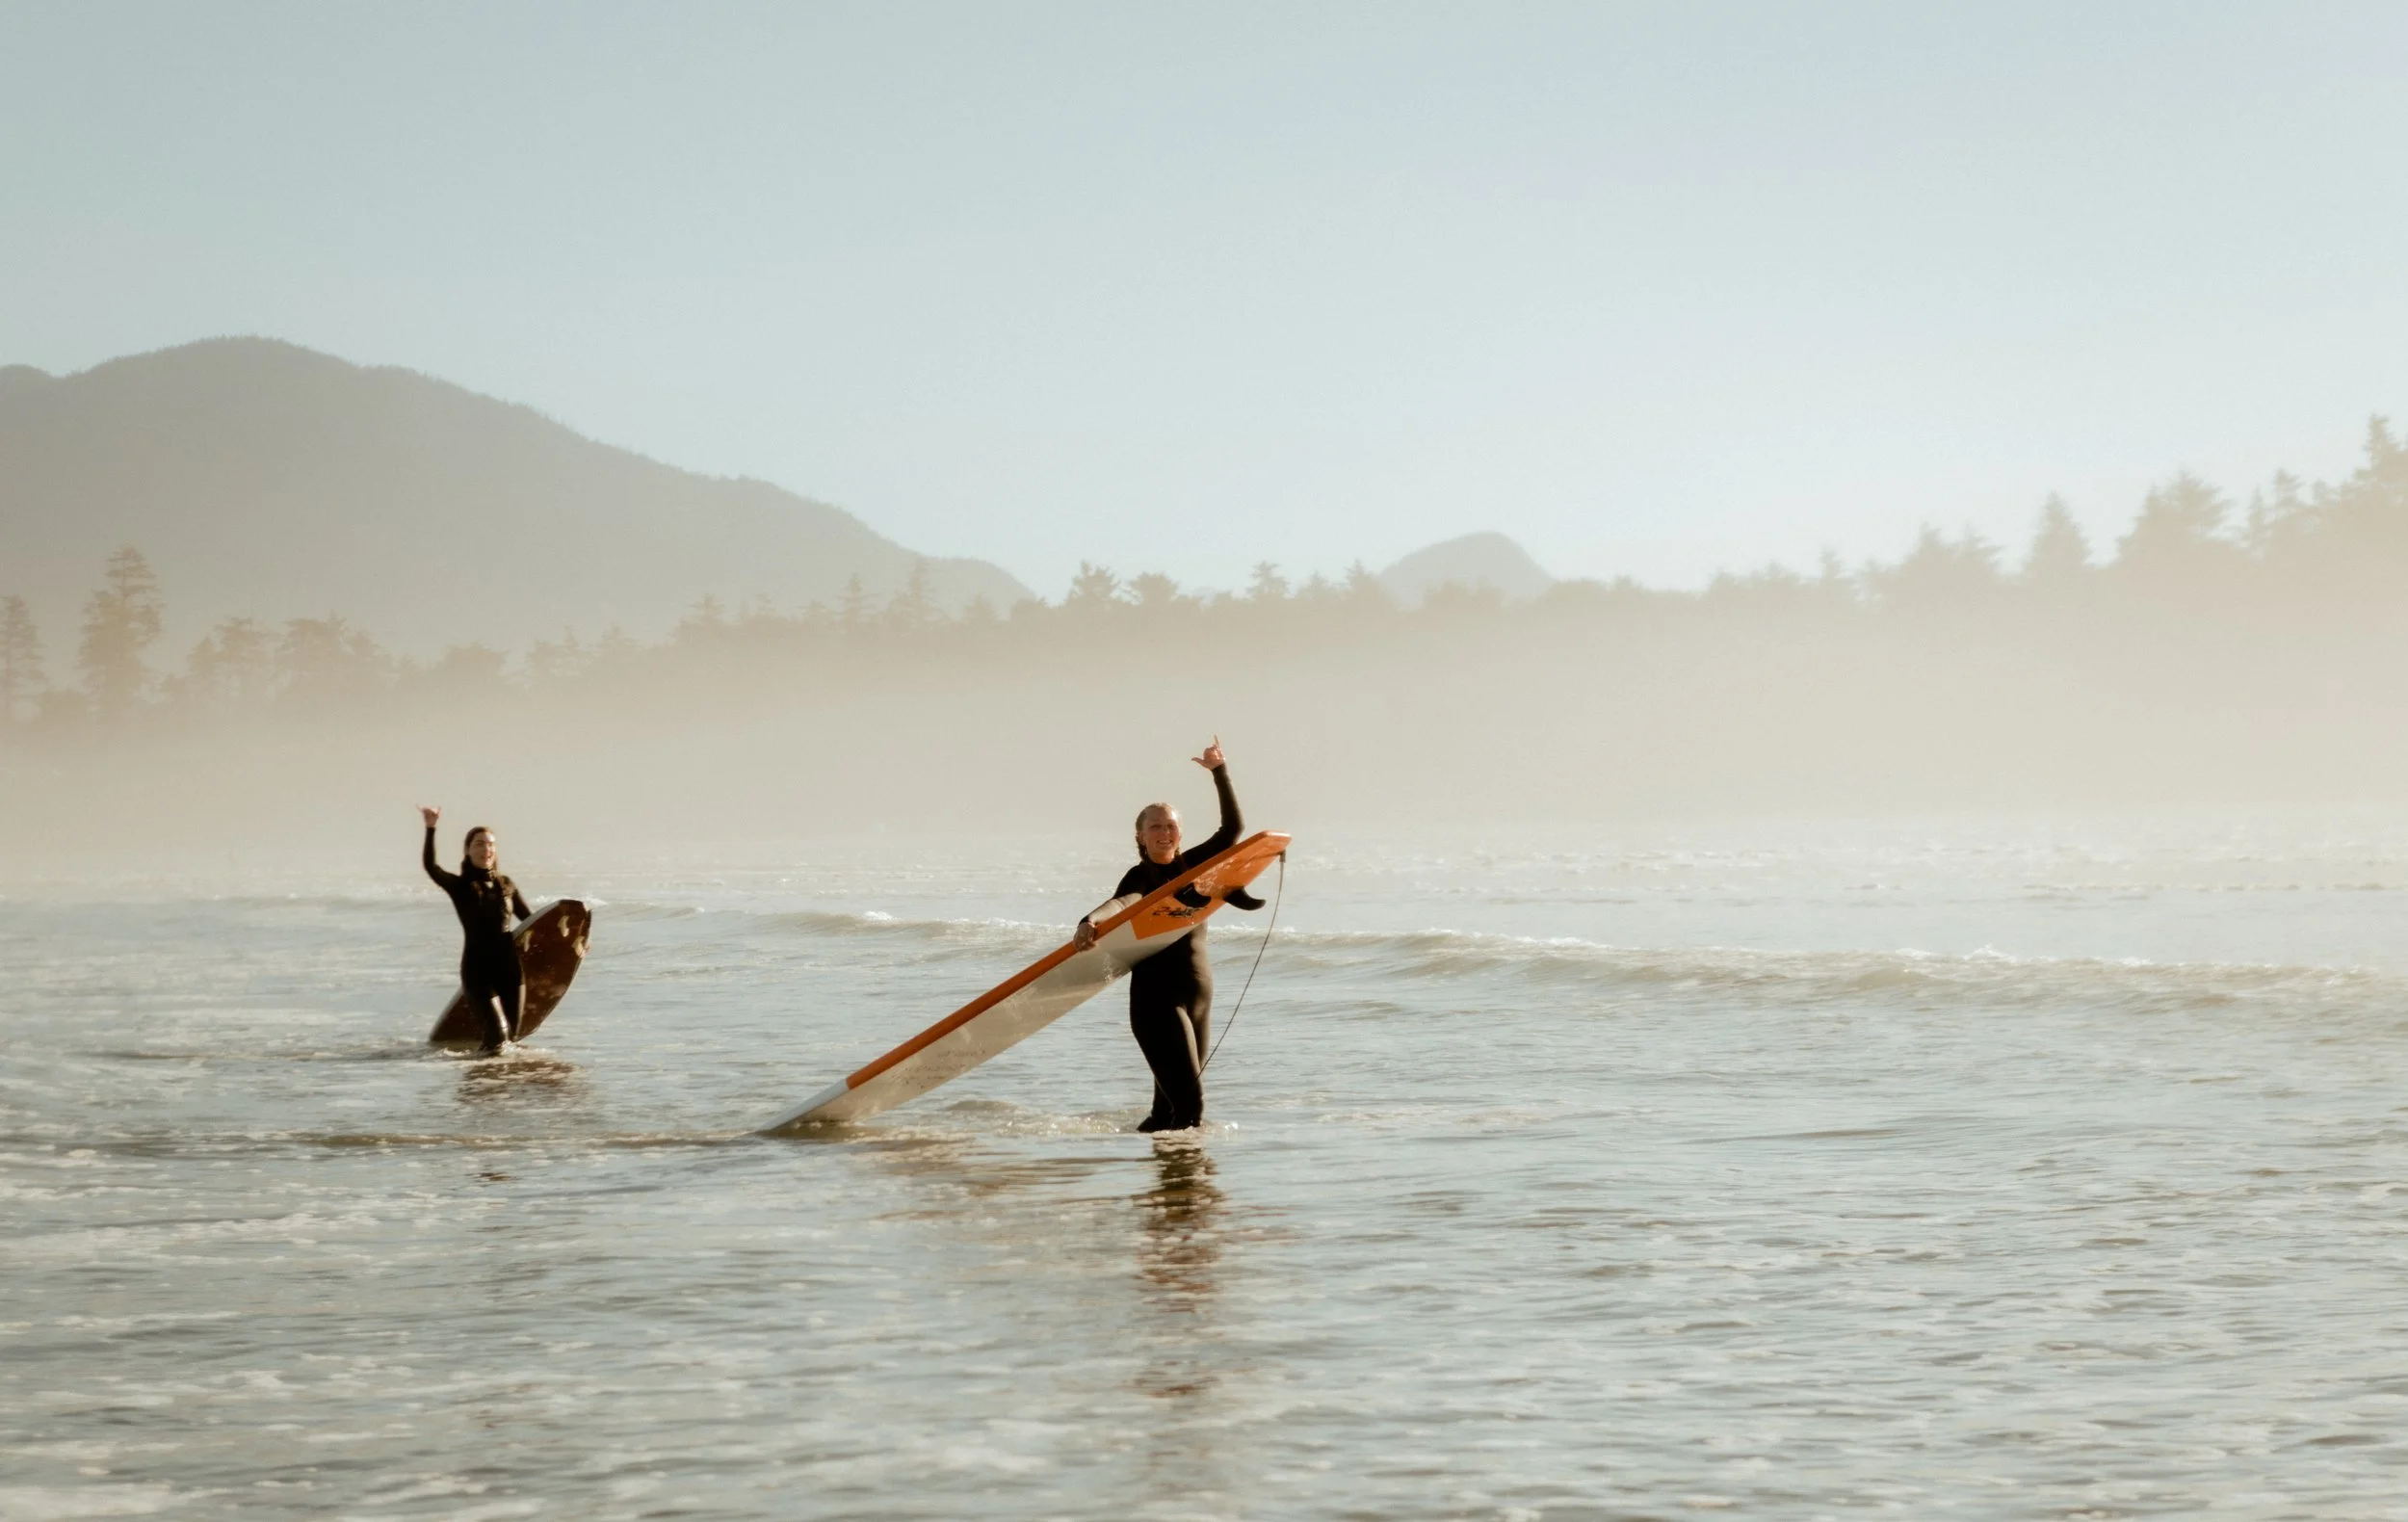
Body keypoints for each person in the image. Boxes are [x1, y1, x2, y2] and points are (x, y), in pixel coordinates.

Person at [1072, 738, 1264, 1132]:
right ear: (1140, 836)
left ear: (1180, 833)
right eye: (1155, 826)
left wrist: (1219, 772)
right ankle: (1189, 1173)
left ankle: (1153, 1167)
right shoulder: (1141, 876)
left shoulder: (1194, 866)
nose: (1164, 832)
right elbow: (1122, 902)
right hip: (1156, 1002)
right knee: (1191, 1108)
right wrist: (1089, 921)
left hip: (1199, 999)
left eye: (1171, 825)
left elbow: (1233, 829)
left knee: (1166, 1114)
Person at [418, 805, 533, 1053]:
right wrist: (431, 828)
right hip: (477, 971)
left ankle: (492, 1077)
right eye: (479, 844)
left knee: (512, 1039)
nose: (486, 849)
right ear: (468, 850)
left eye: (490, 844)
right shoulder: (460, 886)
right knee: (497, 1038)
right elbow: (431, 866)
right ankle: (478, 1075)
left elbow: (532, 922)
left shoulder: (506, 885)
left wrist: (572, 943)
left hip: (510, 970)